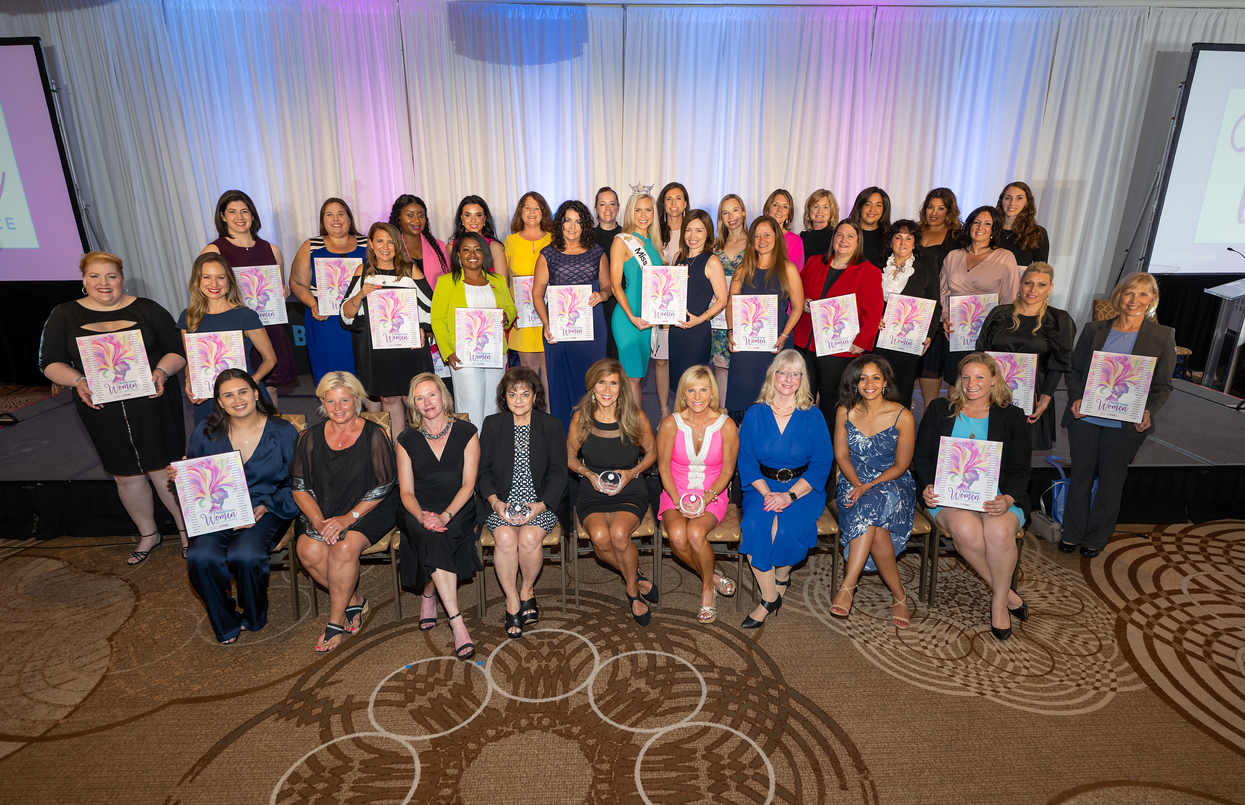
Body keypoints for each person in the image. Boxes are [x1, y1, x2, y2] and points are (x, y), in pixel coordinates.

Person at [39, 251, 189, 563]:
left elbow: (178, 350)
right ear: (83, 281)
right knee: (125, 475)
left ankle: (189, 531)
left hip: (154, 404)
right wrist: (78, 380)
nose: (103, 283)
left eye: (111, 276)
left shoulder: (148, 309)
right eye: (95, 276)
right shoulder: (64, 314)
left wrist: (161, 371)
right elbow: (49, 363)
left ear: (122, 279)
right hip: (100, 409)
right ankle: (149, 533)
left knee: (165, 471)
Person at [173, 370, 298, 644]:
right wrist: (182, 475)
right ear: (219, 401)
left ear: (256, 393)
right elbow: (196, 474)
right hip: (217, 512)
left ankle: (254, 615)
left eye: (243, 391)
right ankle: (225, 621)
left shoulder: (283, 431)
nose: (237, 399)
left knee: (246, 554)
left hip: (266, 507)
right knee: (200, 556)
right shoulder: (207, 433)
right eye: (228, 395)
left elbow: (298, 481)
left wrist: (266, 506)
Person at [914, 353, 1031, 640]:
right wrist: (928, 485)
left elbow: (1020, 468)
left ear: (993, 380)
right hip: (947, 495)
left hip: (999, 495)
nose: (971, 383)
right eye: (966, 377)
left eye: (979, 377)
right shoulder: (940, 408)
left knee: (999, 533)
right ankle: (1005, 594)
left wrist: (1008, 499)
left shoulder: (1012, 416)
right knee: (966, 533)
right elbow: (923, 456)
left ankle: (998, 605)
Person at [1060, 272, 1176, 558]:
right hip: (1086, 419)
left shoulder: (1162, 336)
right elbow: (1074, 372)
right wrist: (1075, 398)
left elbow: (1162, 386)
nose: (1134, 301)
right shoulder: (1093, 329)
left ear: (1153, 300)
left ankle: (1095, 538)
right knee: (1081, 477)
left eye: (1143, 295)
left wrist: (1147, 409)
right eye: (1129, 293)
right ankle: (1072, 533)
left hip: (1125, 425)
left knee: (1111, 482)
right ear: (1118, 296)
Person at [291, 371, 400, 653]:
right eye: (330, 401)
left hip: (370, 505)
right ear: (322, 403)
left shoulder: (374, 434)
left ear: (358, 400)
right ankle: (353, 600)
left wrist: (348, 518)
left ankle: (335, 621)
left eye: (344, 400)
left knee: (343, 547)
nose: (338, 408)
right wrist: (317, 520)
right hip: (325, 509)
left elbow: (385, 484)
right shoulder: (309, 438)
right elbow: (299, 487)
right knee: (308, 551)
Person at [737, 351, 834, 628]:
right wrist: (768, 492)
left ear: (802, 379)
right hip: (762, 487)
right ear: (773, 376)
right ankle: (770, 597)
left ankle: (782, 575)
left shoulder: (813, 416)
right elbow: (746, 460)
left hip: (803, 489)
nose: (788, 379)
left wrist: (789, 495)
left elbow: (821, 464)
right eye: (782, 372)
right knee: (756, 525)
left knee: (787, 528)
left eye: (795, 373)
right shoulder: (755, 413)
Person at [566, 359, 658, 626]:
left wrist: (632, 472)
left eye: (613, 383)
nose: (607, 389)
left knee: (618, 535)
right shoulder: (580, 418)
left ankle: (631, 591)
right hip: (591, 487)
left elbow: (652, 452)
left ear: (622, 387)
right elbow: (570, 457)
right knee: (599, 539)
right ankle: (637, 576)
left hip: (630, 487)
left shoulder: (635, 416)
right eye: (601, 382)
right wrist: (588, 474)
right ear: (592, 386)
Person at [396, 373, 480, 659]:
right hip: (418, 509)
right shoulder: (406, 439)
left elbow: (469, 485)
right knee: (432, 537)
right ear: (413, 405)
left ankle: (430, 594)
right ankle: (457, 623)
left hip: (458, 508)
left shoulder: (467, 432)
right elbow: (406, 492)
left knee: (438, 536)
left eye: (431, 395)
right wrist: (423, 516)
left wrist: (445, 516)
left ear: (443, 397)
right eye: (419, 398)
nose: (427, 402)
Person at [478, 369, 567, 638]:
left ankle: (527, 588)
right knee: (505, 538)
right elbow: (483, 473)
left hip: (540, 502)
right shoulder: (493, 425)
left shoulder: (550, 425)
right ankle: (512, 600)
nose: (518, 400)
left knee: (528, 538)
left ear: (535, 396)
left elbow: (559, 471)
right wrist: (496, 504)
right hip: (501, 501)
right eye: (512, 394)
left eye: (525, 394)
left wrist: (540, 505)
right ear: (504, 397)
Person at [830, 357, 916, 628]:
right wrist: (857, 483)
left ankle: (848, 586)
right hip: (852, 479)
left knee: (868, 506)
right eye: (863, 378)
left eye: (876, 378)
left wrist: (867, 486)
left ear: (886, 382)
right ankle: (900, 595)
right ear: (854, 383)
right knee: (877, 530)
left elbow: (902, 465)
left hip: (892, 483)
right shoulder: (844, 410)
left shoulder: (903, 415)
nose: (869, 384)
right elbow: (842, 456)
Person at [656, 366, 739, 624]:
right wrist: (678, 499)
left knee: (694, 533)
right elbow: (663, 467)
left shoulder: (726, 426)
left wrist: (707, 497)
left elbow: (727, 471)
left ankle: (706, 590)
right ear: (683, 394)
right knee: (678, 536)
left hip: (713, 493)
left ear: (712, 392)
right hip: (674, 491)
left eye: (703, 389)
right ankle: (712, 577)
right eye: (691, 390)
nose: (697, 396)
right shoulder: (670, 423)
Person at [200, 189, 298, 407]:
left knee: (269, 386)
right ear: (223, 216)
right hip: (233, 328)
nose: (240, 217)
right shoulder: (213, 250)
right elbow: (204, 291)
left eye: (245, 211)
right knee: (232, 386)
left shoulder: (272, 250)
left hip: (268, 324)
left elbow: (278, 289)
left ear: (253, 215)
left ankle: (271, 433)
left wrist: (284, 290)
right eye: (232, 212)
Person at [339, 222, 433, 435]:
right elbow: (346, 315)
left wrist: (423, 327)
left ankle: (421, 446)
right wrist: (361, 294)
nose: (386, 246)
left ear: (398, 244)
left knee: (414, 399)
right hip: (377, 347)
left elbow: (430, 305)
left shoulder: (410, 269)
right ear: (370, 244)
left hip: (410, 347)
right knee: (389, 399)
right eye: (380, 240)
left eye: (391, 241)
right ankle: (398, 448)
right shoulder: (363, 271)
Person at [791, 219, 883, 425]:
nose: (844, 240)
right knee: (801, 398)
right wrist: (803, 300)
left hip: (839, 349)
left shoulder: (869, 271)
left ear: (858, 242)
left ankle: (831, 449)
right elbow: (797, 290)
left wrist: (862, 341)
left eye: (850, 236)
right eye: (840, 235)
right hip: (806, 342)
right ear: (833, 239)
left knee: (832, 401)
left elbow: (873, 311)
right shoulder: (815, 262)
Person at [974, 262, 1075, 450]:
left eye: (1041, 284)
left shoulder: (1059, 319)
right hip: (992, 391)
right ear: (1020, 284)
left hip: (1033, 396)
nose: (1033, 289)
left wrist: (1044, 402)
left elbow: (1058, 365)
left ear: (1050, 288)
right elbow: (981, 353)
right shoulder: (999, 313)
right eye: (1028, 283)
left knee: (1019, 458)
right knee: (985, 450)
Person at [532, 199, 610, 432]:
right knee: (560, 384)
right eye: (568, 220)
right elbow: (537, 294)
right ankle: (563, 442)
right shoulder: (548, 254)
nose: (573, 226)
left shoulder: (597, 253)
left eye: (578, 221)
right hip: (559, 329)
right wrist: (547, 324)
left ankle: (594, 436)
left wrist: (601, 296)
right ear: (560, 224)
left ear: (585, 225)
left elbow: (608, 287)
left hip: (592, 326)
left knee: (592, 379)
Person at [430, 232, 518, 427]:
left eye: (478, 249)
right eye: (466, 250)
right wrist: (448, 351)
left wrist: (506, 316)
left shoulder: (498, 280)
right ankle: (472, 450)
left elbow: (511, 308)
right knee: (470, 403)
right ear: (458, 255)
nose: (472, 254)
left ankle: (490, 451)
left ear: (485, 254)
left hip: (494, 354)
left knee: (495, 404)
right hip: (463, 355)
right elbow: (437, 319)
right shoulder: (446, 282)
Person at [178, 253, 276, 425]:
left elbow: (270, 359)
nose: (214, 284)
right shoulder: (189, 317)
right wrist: (188, 381)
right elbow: (190, 361)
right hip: (207, 397)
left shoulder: (246, 316)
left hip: (243, 395)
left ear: (229, 281)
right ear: (197, 281)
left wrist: (252, 382)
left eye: (220, 277)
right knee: (215, 446)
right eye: (206, 277)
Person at [724, 215, 804, 423]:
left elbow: (797, 307)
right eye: (757, 236)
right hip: (746, 344)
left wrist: (784, 335)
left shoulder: (788, 269)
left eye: (767, 234)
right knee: (743, 399)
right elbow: (731, 304)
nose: (762, 240)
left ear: (776, 237)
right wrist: (731, 332)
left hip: (776, 342)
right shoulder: (742, 270)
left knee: (775, 396)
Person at [939, 206, 1020, 386]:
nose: (980, 227)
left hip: (987, 333)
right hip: (956, 331)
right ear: (969, 226)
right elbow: (943, 292)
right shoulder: (953, 256)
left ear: (994, 229)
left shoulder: (1005, 258)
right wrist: (945, 316)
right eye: (976, 222)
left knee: (981, 383)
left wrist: (998, 332)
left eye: (987, 223)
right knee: (956, 381)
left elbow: (1009, 299)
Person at [289, 198, 368, 381]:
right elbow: (296, 282)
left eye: (341, 213)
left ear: (349, 218)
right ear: (323, 220)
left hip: (363, 319)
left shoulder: (368, 243)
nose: (336, 219)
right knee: (332, 377)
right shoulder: (311, 245)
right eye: (329, 214)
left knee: (365, 376)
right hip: (325, 321)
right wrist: (313, 304)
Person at [873, 219, 941, 408]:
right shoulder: (876, 265)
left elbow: (935, 305)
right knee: (875, 386)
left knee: (901, 390)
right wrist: (872, 317)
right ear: (891, 241)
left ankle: (898, 433)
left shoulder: (926, 266)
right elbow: (867, 299)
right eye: (898, 237)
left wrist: (929, 334)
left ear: (915, 242)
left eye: (908, 238)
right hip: (877, 339)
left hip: (907, 340)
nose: (903, 243)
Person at [609, 191, 665, 401]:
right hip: (628, 318)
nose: (643, 215)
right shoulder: (622, 241)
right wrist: (632, 317)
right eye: (638, 210)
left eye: (648, 210)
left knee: (638, 376)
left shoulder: (654, 241)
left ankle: (632, 426)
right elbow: (615, 285)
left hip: (650, 318)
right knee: (632, 378)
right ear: (630, 212)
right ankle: (636, 430)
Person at [667, 209, 729, 394]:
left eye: (699, 230)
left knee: (693, 385)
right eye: (688, 230)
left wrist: (700, 319)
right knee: (677, 384)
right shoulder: (678, 257)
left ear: (708, 233)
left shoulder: (712, 261)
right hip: (676, 330)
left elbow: (722, 300)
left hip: (697, 331)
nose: (692, 235)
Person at [916, 188, 964, 406]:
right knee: (915, 367)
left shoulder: (957, 238)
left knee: (934, 362)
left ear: (949, 211)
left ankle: (932, 417)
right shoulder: (914, 232)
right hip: (912, 309)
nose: (934, 212)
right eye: (930, 207)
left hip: (939, 310)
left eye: (940, 208)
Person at [505, 192, 554, 389]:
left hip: (549, 315)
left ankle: (552, 417)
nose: (532, 212)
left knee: (551, 372)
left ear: (543, 213)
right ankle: (531, 417)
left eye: (537, 208)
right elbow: (502, 282)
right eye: (527, 207)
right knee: (528, 373)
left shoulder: (555, 240)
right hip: (522, 318)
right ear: (520, 212)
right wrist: (509, 312)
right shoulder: (509, 242)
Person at [653, 182, 691, 416]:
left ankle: (685, 411)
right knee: (661, 361)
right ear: (663, 203)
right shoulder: (654, 231)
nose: (674, 203)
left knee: (685, 363)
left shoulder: (694, 230)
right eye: (669, 198)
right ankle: (664, 411)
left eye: (679, 198)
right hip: (661, 305)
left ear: (686, 203)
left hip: (687, 306)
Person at [712, 194, 748, 402]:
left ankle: (744, 417)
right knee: (721, 366)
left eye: (735, 210)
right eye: (725, 212)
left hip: (747, 312)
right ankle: (723, 414)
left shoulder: (756, 241)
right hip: (718, 313)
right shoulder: (715, 245)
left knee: (745, 366)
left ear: (743, 211)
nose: (731, 216)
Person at [449, 195, 509, 285]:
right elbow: (448, 280)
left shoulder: (494, 247)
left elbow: (502, 286)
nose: (473, 220)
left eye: (478, 215)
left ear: (484, 218)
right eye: (468, 215)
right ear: (462, 218)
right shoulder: (451, 246)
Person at [593, 187, 622, 361]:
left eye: (612, 204)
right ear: (596, 207)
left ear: (618, 206)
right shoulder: (587, 237)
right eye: (602, 204)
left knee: (618, 353)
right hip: (596, 301)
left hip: (621, 301)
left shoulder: (628, 236)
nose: (607, 208)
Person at [997, 181, 1050, 266]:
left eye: (1019, 198)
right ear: (1001, 201)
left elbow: (1040, 271)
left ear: (1027, 202)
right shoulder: (990, 229)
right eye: (1007, 198)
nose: (1012, 203)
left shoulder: (1037, 233)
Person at [848, 187, 892, 268]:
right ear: (860, 207)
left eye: (878, 205)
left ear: (884, 209)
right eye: (868, 204)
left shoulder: (890, 237)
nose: (872, 209)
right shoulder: (846, 233)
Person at [764, 188, 804, 277]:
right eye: (775, 205)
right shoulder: (757, 236)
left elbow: (796, 275)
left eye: (785, 206)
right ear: (767, 209)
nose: (780, 210)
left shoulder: (796, 241)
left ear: (788, 215)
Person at [799, 189, 840, 270]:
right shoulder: (801, 237)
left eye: (825, 207)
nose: (820, 211)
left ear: (831, 211)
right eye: (816, 206)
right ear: (809, 211)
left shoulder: (837, 237)